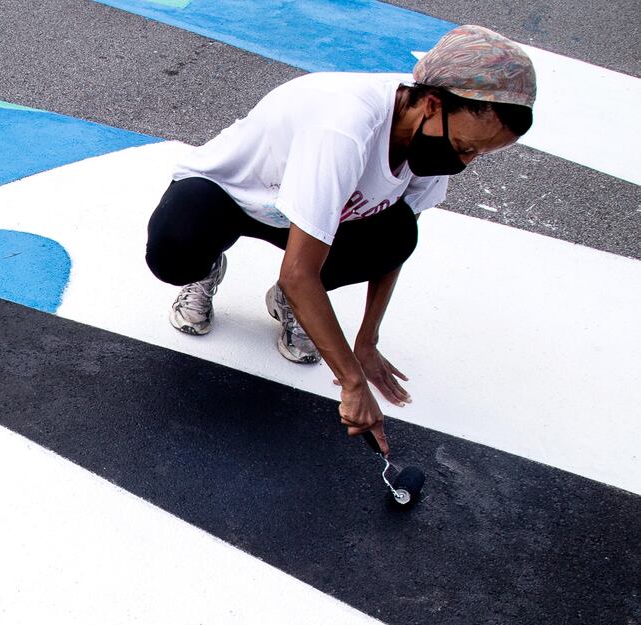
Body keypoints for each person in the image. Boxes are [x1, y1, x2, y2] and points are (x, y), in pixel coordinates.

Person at [144, 24, 536, 453]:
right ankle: (206, 267)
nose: (464, 162)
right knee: (175, 249)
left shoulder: (433, 141)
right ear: (431, 102)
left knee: (398, 233)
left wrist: (367, 340)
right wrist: (351, 382)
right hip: (233, 198)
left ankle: (296, 306)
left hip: (321, 217)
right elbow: (298, 272)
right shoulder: (345, 127)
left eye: (479, 153)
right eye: (464, 146)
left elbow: (394, 249)